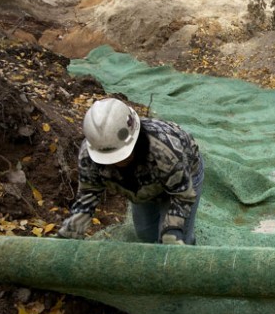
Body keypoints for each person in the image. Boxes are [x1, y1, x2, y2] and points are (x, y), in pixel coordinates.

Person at [58, 98, 203, 245]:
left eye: (121, 155)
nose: (117, 163)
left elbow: (182, 193)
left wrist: (173, 229)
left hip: (182, 180)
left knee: (172, 241)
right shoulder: (89, 155)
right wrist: (74, 226)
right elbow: (89, 191)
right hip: (142, 187)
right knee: (145, 233)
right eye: (109, 159)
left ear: (135, 139)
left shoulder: (164, 151)